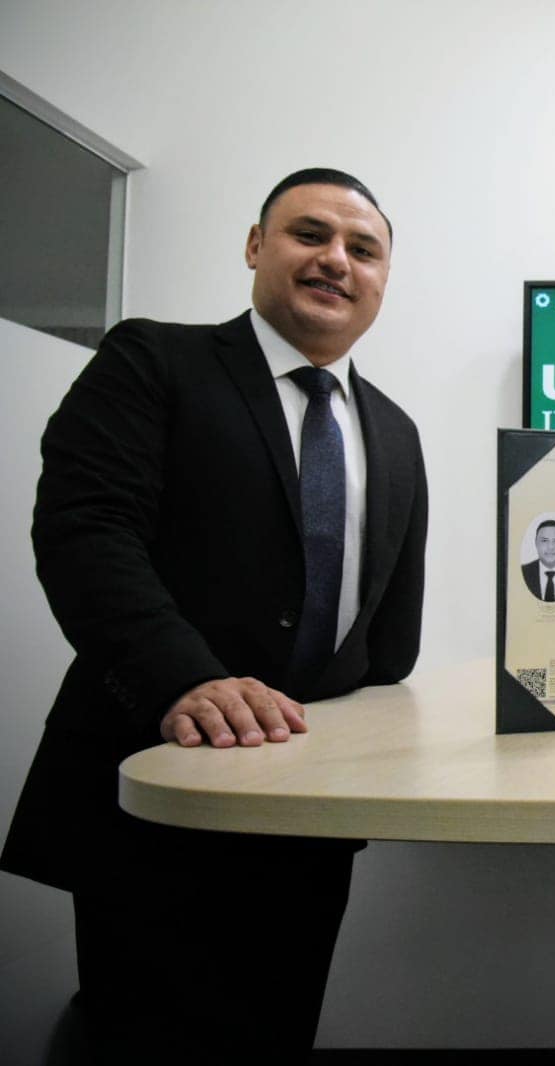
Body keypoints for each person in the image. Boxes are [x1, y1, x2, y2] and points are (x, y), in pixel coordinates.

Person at [1, 168, 428, 1064]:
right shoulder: (154, 361)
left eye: (364, 248)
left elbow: (386, 632)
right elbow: (86, 531)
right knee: (145, 1036)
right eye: (309, 235)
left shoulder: (394, 429)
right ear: (254, 247)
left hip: (312, 811)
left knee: (277, 1030)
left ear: (384, 277)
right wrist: (186, 677)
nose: (336, 261)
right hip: (159, 791)